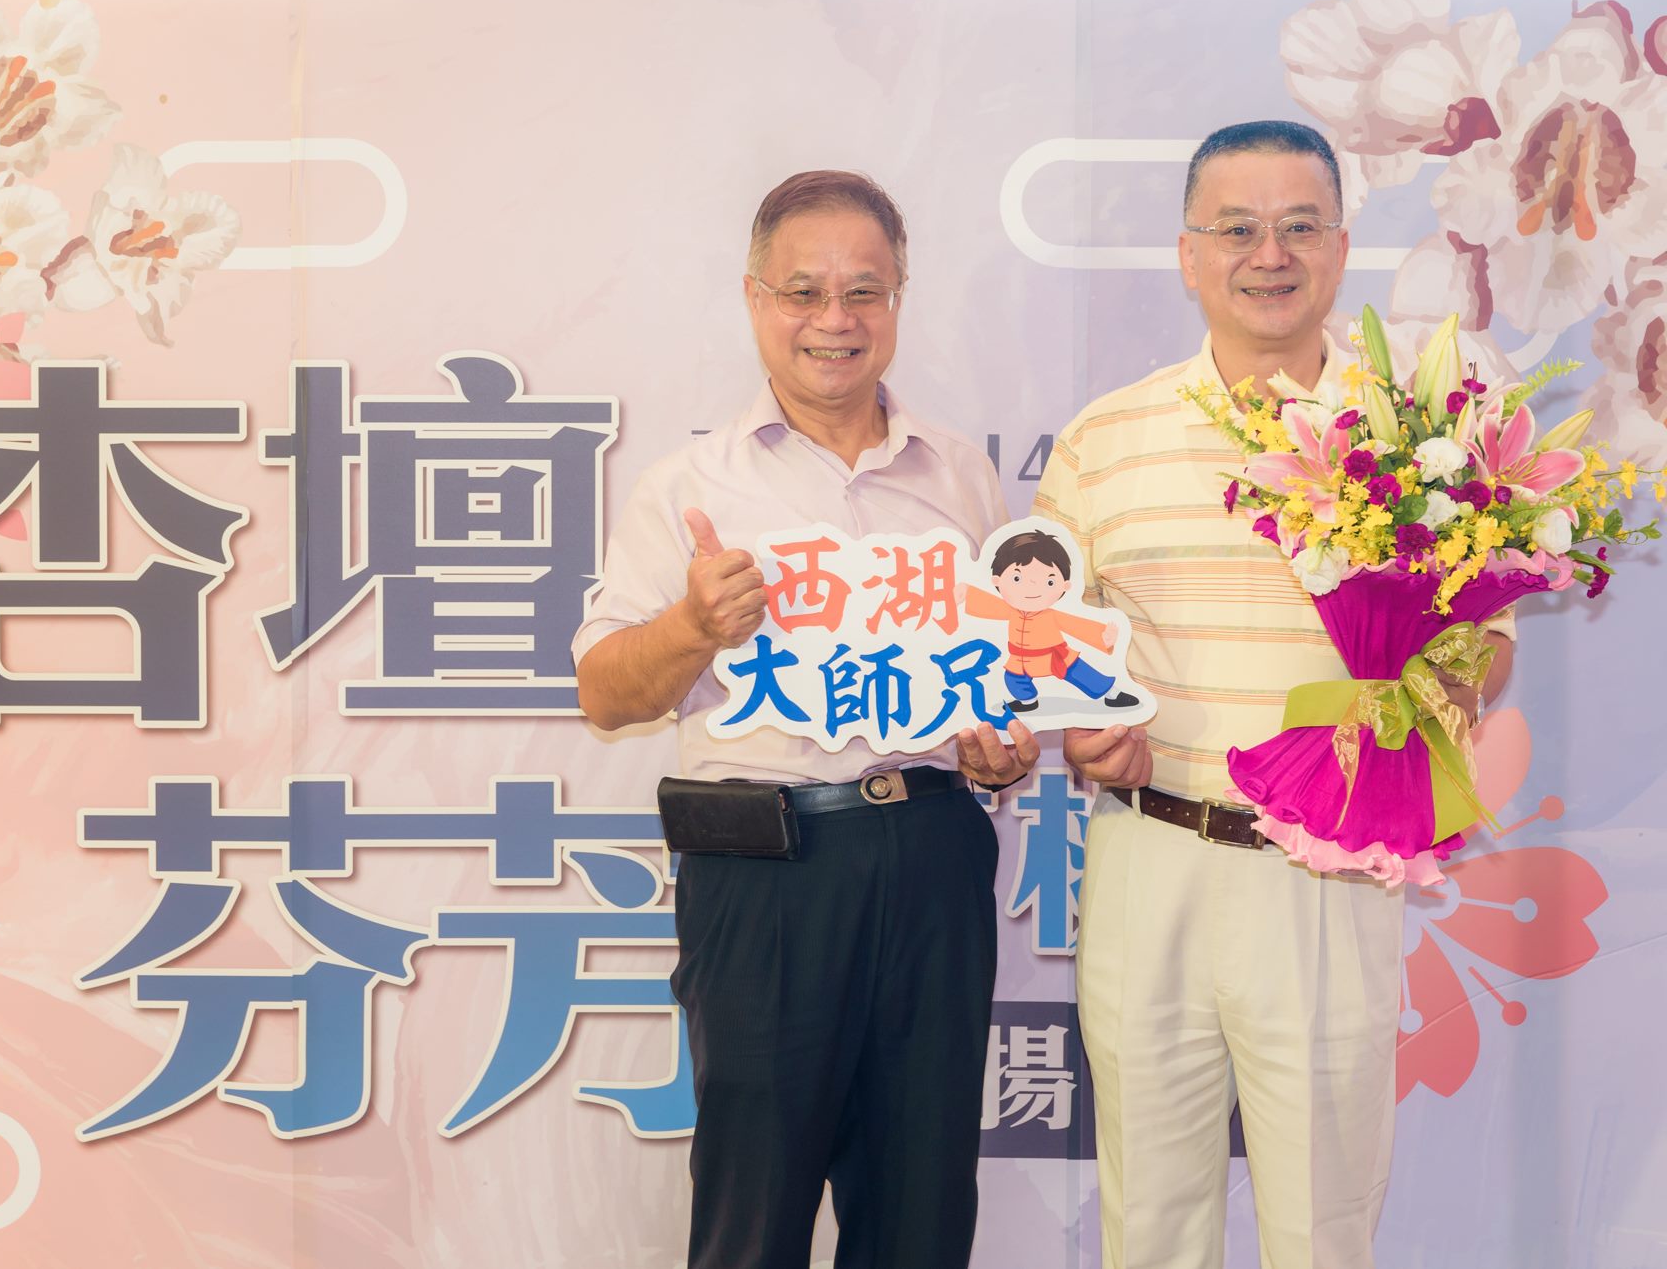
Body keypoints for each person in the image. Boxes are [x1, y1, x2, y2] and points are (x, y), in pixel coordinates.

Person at [1033, 121, 1513, 1269]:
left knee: (1320, 1228)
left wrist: (1421, 693)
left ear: (1342, 249)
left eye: (1300, 226)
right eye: (1236, 229)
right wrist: (1082, 730)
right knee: (1150, 1224)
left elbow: (1487, 649)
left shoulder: (1422, 441)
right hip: (1149, 858)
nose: (1270, 255)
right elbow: (1048, 650)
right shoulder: (1105, 439)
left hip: (1327, 876)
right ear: (1188, 255)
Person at [574, 170, 1040, 1269]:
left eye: (864, 290)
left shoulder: (961, 476)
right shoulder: (689, 485)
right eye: (804, 291)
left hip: (931, 853)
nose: (835, 318)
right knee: (755, 1212)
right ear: (755, 298)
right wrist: (694, 625)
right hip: (767, 873)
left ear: (898, 299)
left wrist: (1003, 751)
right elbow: (605, 692)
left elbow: (1003, 680)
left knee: (922, 1208)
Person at [961, 528, 1141, 714]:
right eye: (1017, 578)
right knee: (1013, 678)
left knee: (1084, 674)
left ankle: (1113, 694)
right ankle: (1028, 701)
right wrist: (967, 593)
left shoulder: (1052, 615)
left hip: (1056, 658)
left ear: (1065, 586)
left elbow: (1076, 626)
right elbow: (989, 605)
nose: (1032, 588)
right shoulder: (1010, 610)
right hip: (1021, 660)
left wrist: (1103, 636)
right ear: (997, 581)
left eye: (1049, 582)